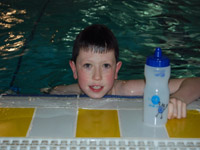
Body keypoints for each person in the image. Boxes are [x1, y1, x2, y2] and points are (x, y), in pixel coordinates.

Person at [46, 24, 200, 120]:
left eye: (106, 65)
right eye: (87, 65)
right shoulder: (70, 90)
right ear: (74, 69)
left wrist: (178, 98)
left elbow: (196, 82)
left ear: (116, 70)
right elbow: (56, 91)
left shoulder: (127, 89)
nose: (97, 77)